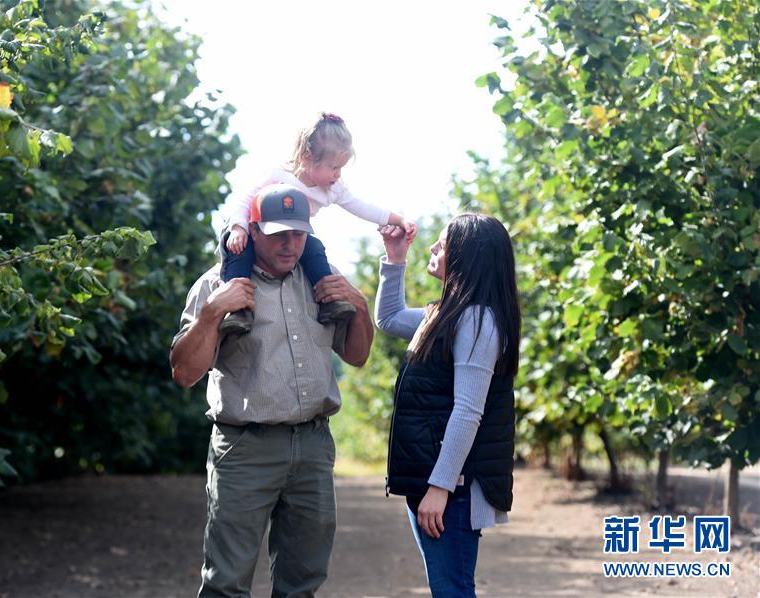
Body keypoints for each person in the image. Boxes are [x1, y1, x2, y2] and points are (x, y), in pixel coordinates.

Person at [170, 184, 375, 597]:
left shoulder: (324, 283)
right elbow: (185, 373)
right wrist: (211, 314)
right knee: (226, 583)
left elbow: (356, 356)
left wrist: (361, 307)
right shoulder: (217, 286)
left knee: (303, 582)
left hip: (314, 446)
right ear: (253, 230)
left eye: (298, 234)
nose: (290, 244)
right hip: (246, 448)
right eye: (279, 233)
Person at [375, 214, 521, 597]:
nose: (434, 248)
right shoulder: (445, 315)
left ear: (466, 256)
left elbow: (468, 411)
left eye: (443, 243)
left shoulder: (476, 319)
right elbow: (388, 318)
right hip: (432, 481)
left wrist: (440, 488)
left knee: (453, 590)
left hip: (450, 488)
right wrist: (394, 259)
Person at [218, 112, 417, 335]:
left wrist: (398, 220)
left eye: (341, 168)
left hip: (291, 234)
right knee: (238, 252)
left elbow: (363, 207)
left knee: (314, 248)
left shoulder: (333, 189)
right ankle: (237, 309)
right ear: (306, 157)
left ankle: (328, 300)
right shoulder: (280, 176)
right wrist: (238, 227)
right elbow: (245, 200)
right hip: (254, 229)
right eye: (333, 167)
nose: (338, 174)